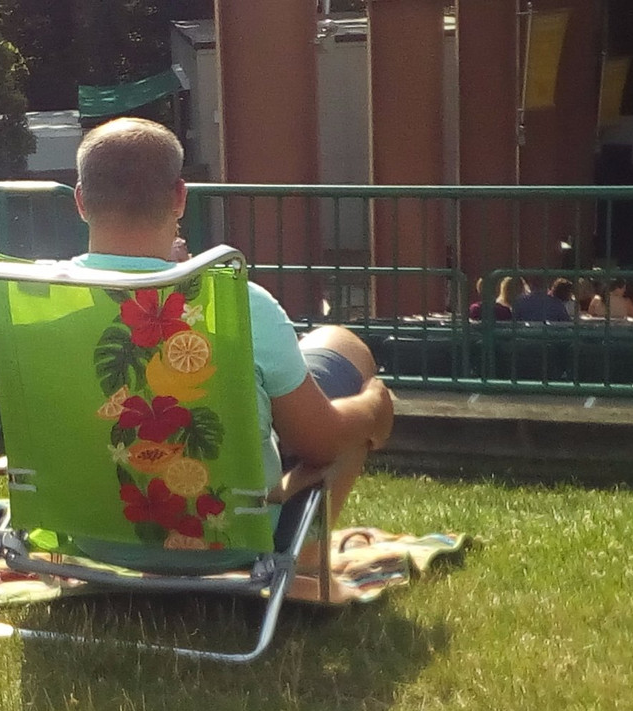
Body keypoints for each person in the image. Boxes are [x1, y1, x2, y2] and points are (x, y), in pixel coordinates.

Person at [71, 117, 394, 533]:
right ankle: (308, 555)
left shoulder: (30, 301)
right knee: (343, 347)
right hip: (229, 543)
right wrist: (373, 408)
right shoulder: (241, 304)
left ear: (81, 201)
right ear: (180, 198)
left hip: (86, 535)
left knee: (332, 344)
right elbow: (320, 443)